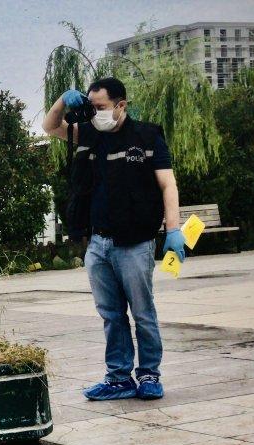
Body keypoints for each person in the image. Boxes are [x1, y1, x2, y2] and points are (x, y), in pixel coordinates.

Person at [42, 77, 183, 401]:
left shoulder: (146, 136)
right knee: (111, 315)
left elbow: (168, 184)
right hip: (99, 244)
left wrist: (173, 230)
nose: (96, 114)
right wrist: (63, 101)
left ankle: (149, 374)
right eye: (92, 108)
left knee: (143, 312)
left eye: (101, 107)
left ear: (121, 105)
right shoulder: (90, 134)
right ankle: (119, 378)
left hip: (134, 244)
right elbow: (50, 126)